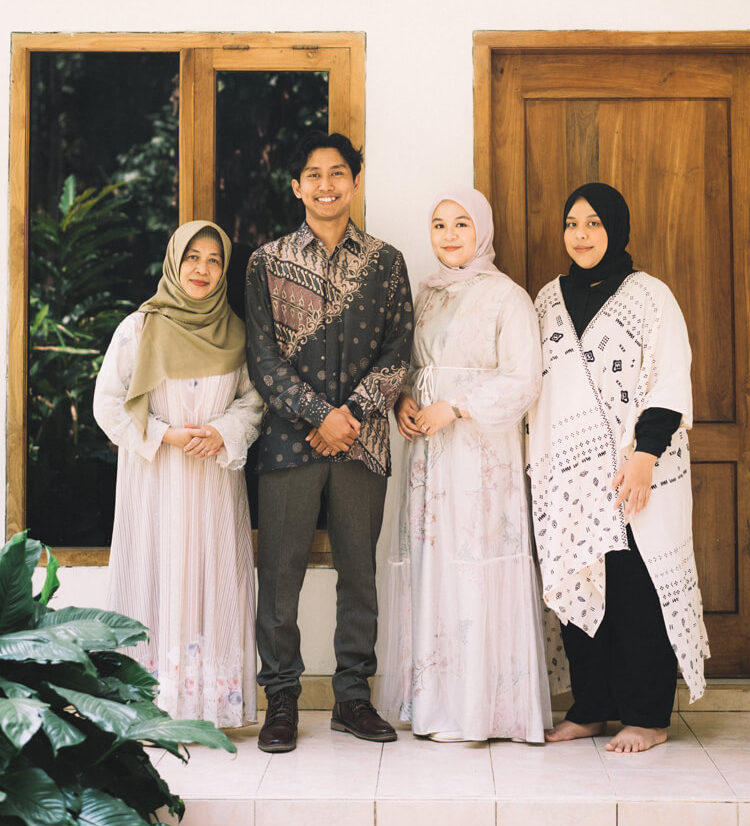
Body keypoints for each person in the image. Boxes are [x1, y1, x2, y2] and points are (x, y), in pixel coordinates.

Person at [245, 131, 413, 753]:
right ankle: (282, 700)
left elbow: (399, 352)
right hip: (288, 445)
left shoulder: (387, 262)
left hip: (363, 445)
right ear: (297, 186)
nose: (325, 185)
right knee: (279, 575)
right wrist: (320, 414)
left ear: (355, 182)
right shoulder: (265, 262)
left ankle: (352, 699)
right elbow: (262, 359)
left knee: (359, 574)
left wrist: (353, 414)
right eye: (313, 175)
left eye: (337, 173)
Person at [528, 183, 709, 754]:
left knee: (637, 593)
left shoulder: (650, 296)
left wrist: (645, 455)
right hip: (571, 477)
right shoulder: (547, 300)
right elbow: (534, 387)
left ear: (616, 229)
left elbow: (670, 377)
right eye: (572, 223)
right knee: (581, 584)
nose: (580, 235)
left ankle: (647, 717)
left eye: (594, 224)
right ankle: (591, 709)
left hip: (637, 471)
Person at [378, 189, 552, 742]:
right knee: (435, 565)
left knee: (474, 562)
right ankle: (436, 705)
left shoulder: (508, 297)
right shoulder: (427, 295)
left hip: (479, 457)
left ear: (482, 230)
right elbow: (412, 367)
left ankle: (482, 709)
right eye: (439, 225)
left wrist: (454, 407)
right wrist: (405, 401)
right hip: (429, 455)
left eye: (461, 224)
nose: (449, 235)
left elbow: (523, 379)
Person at [94, 220, 263, 727]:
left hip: (214, 486)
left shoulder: (237, 333)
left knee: (214, 582)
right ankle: (152, 706)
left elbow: (254, 403)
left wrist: (222, 431)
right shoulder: (138, 329)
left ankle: (211, 709)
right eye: (193, 257)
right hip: (156, 486)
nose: (202, 269)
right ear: (174, 262)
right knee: (156, 576)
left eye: (214, 260)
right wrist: (164, 434)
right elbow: (107, 404)